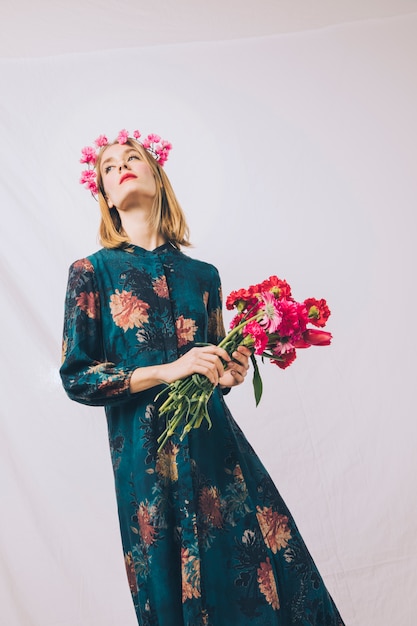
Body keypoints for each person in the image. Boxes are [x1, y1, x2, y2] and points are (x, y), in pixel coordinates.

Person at [60, 129, 345, 626]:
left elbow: (210, 372)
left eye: (133, 158)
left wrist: (230, 374)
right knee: (171, 593)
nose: (122, 165)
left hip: (218, 456)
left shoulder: (204, 276)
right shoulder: (91, 273)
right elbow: (78, 377)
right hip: (148, 467)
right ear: (103, 194)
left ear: (157, 176)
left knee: (266, 579)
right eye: (109, 166)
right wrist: (168, 370)